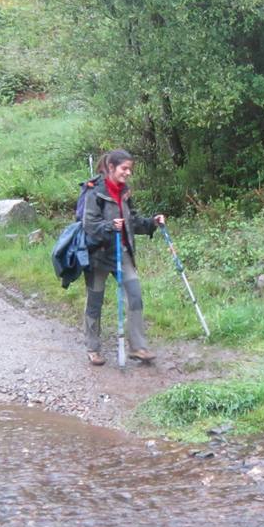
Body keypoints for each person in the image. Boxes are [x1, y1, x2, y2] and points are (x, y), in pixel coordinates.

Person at [81, 149, 165, 365]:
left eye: (130, 169)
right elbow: (89, 225)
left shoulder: (124, 192)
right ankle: (93, 348)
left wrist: (152, 222)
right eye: (124, 168)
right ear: (111, 168)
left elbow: (133, 221)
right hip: (98, 255)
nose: (128, 173)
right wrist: (109, 226)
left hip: (123, 252)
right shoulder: (95, 192)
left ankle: (138, 348)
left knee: (135, 295)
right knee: (95, 301)